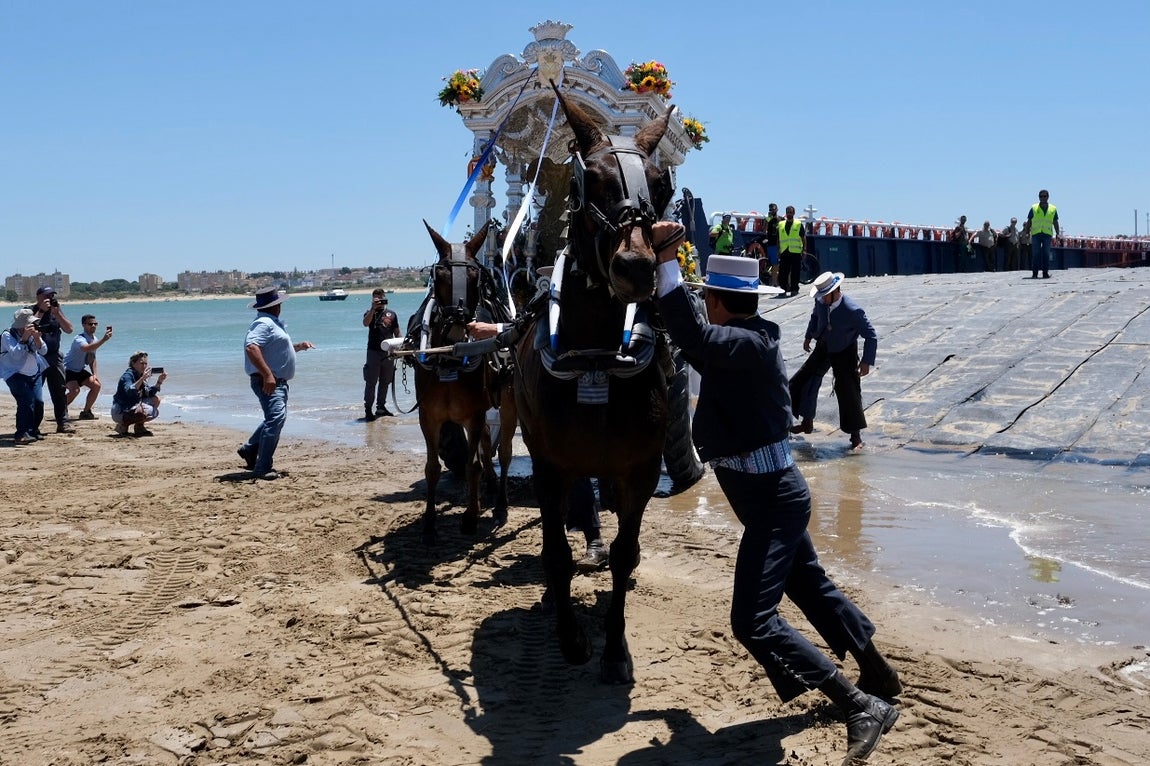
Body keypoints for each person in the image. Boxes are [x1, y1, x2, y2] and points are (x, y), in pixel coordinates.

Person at [650, 222, 900, 764]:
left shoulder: (744, 343)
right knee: (811, 587)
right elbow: (693, 341)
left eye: (706, 298)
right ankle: (878, 672)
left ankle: (860, 705)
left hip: (773, 502)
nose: (704, 307)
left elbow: (692, 338)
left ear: (716, 302)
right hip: (774, 497)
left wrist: (666, 260)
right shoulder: (743, 341)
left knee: (753, 621)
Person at [789, 272, 878, 450]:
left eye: (824, 296)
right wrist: (808, 337)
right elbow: (815, 317)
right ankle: (807, 422)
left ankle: (856, 436)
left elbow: (871, 335)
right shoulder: (821, 302)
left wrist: (866, 361)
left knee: (848, 390)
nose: (821, 299)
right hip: (823, 346)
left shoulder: (852, 310)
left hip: (844, 351)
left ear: (835, 291)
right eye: (819, 296)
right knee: (803, 380)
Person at [238, 287, 315, 480]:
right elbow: (251, 347)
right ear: (275, 305)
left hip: (276, 381)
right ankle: (262, 467)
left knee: (274, 418)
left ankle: (249, 450)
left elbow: (274, 350)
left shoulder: (271, 323)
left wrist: (298, 347)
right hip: (270, 381)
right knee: (276, 419)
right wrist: (267, 375)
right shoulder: (264, 323)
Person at [29, 286, 75, 434]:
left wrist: (58, 314)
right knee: (34, 392)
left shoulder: (56, 312)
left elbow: (69, 329)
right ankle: (32, 425)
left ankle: (63, 422)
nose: (50, 299)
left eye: (52, 296)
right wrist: (41, 311)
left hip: (54, 357)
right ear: (39, 297)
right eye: (46, 296)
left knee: (60, 391)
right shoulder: (30, 311)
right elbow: (28, 327)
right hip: (35, 358)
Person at [1, 309, 48, 445]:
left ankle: (33, 430)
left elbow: (43, 351)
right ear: (21, 324)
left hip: (34, 372)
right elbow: (16, 355)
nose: (32, 326)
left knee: (38, 402)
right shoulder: (7, 335)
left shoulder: (33, 333)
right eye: (29, 324)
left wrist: (38, 338)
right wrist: (25, 338)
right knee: (26, 400)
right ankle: (21, 434)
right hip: (14, 374)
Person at [362, 288, 401, 420]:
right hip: (373, 352)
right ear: (373, 300)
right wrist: (373, 309)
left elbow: (397, 332)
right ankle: (368, 409)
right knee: (371, 382)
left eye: (381, 298)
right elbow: (365, 323)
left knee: (385, 381)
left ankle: (381, 408)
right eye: (376, 299)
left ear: (385, 298)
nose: (379, 301)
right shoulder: (369, 313)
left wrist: (400, 347)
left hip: (388, 353)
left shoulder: (392, 314)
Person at [64, 315, 113, 420]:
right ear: (83, 325)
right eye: (90, 324)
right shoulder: (79, 339)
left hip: (79, 370)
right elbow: (86, 348)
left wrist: (95, 374)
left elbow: (92, 357)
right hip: (67, 369)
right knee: (75, 390)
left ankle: (86, 411)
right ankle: (60, 408)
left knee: (96, 385)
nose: (93, 326)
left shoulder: (94, 339)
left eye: (95, 324)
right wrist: (104, 340)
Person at [111, 350, 168, 436]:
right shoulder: (127, 376)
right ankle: (123, 425)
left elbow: (149, 393)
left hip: (131, 407)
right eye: (142, 363)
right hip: (120, 410)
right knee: (147, 412)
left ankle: (139, 426)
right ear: (133, 363)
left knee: (156, 400)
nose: (144, 366)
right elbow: (130, 391)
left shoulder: (140, 375)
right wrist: (142, 379)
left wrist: (159, 382)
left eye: (146, 364)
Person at [1027, 189, 1060, 279]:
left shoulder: (1053, 208)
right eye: (1041, 196)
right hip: (1036, 234)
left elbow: (1055, 222)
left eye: (1044, 196)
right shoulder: (1034, 208)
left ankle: (1045, 273)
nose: (1043, 198)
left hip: (1047, 234)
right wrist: (1026, 232)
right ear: (1039, 197)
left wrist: (1058, 233)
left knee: (1046, 254)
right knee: (1036, 254)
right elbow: (1029, 221)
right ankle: (1035, 274)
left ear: (1048, 197)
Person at [777, 205, 806, 297]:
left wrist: (804, 249)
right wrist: (778, 250)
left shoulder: (798, 224)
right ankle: (783, 289)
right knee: (783, 272)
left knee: (795, 272)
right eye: (788, 212)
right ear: (786, 213)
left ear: (794, 213)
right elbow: (778, 239)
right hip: (784, 251)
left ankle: (794, 289)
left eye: (791, 212)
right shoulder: (781, 224)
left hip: (796, 252)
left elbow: (803, 238)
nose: (789, 213)